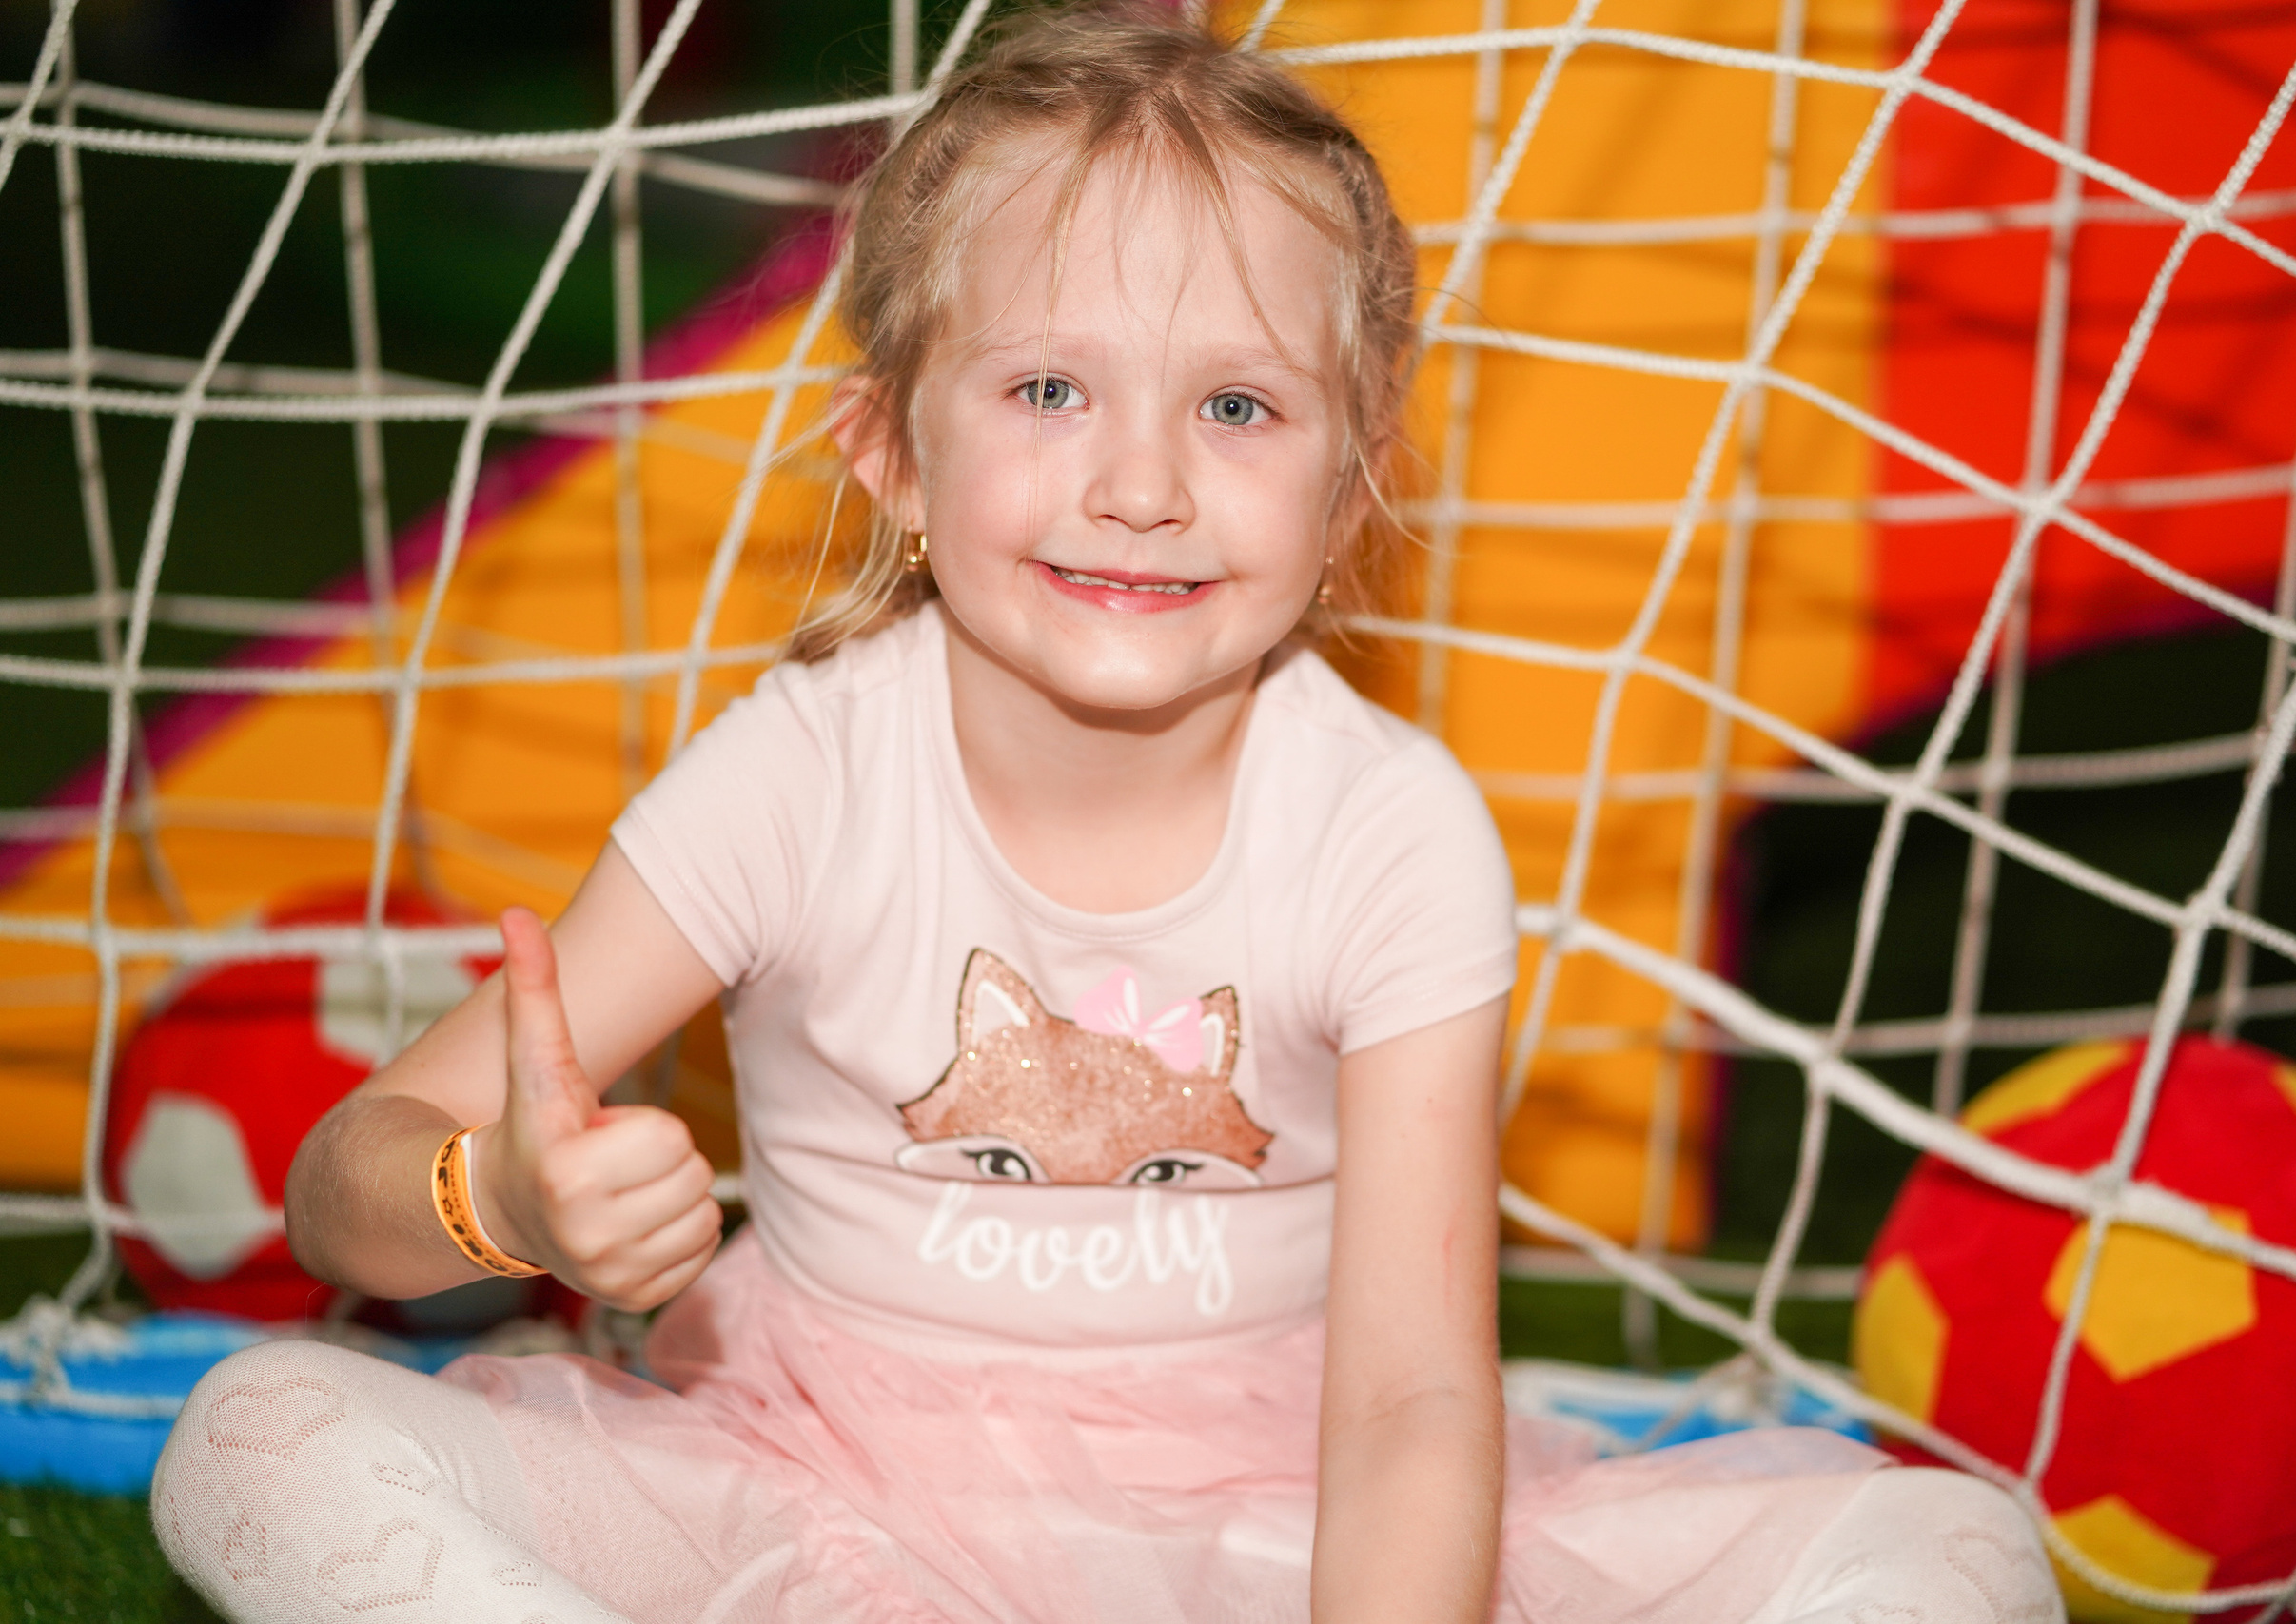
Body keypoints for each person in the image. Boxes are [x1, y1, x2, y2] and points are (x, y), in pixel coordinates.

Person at [149, 7, 2062, 1621]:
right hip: (809, 1491)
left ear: (1351, 485)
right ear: (891, 449)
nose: (1140, 481)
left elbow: (1406, 1397)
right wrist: (499, 1191)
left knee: (1950, 1549)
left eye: (1236, 408)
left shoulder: (1389, 832)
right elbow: (349, 1178)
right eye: (1050, 385)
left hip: (1280, 1525)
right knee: (261, 1430)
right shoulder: (800, 768)